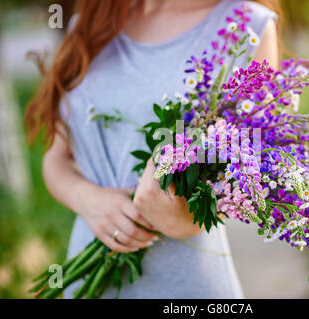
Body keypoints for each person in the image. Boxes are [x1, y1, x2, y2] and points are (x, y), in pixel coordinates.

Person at [25, 0, 280, 298]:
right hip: (88, 279)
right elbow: (56, 160)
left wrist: (183, 220)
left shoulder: (250, 24)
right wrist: (89, 201)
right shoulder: (89, 25)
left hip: (183, 286)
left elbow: (250, 178)